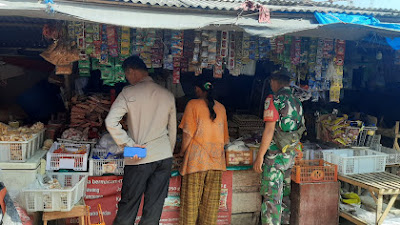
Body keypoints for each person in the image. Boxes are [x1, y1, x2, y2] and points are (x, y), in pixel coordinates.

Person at [105, 55, 177, 225]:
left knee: (129, 205)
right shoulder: (167, 95)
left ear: (131, 71)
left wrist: (129, 146)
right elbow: (172, 130)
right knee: (154, 206)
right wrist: (168, 152)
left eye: (126, 75)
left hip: (138, 156)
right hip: (164, 156)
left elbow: (110, 122)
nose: (127, 79)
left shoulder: (128, 93)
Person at [253, 73, 305, 225]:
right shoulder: (297, 101)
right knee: (285, 198)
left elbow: (269, 130)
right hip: (290, 156)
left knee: (271, 200)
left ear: (274, 82)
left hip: (275, 158)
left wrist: (260, 156)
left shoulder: (274, 99)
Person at [178, 80, 229, 225]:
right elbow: (225, 139)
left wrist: (182, 152)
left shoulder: (193, 104)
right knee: (210, 208)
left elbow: (188, 134)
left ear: (197, 89)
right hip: (217, 161)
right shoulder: (222, 108)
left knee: (190, 206)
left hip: (196, 162)